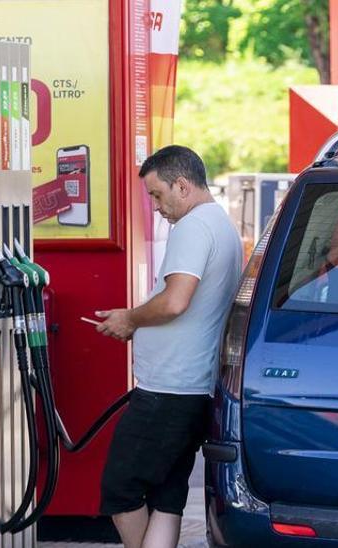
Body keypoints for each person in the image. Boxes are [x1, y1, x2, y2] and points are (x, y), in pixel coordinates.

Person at [93, 145, 242, 547]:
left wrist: (130, 318)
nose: (156, 207)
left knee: (120, 489)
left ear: (182, 185)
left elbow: (176, 300)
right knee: (167, 496)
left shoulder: (194, 226)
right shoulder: (222, 226)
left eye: (158, 195)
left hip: (168, 390)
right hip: (192, 388)